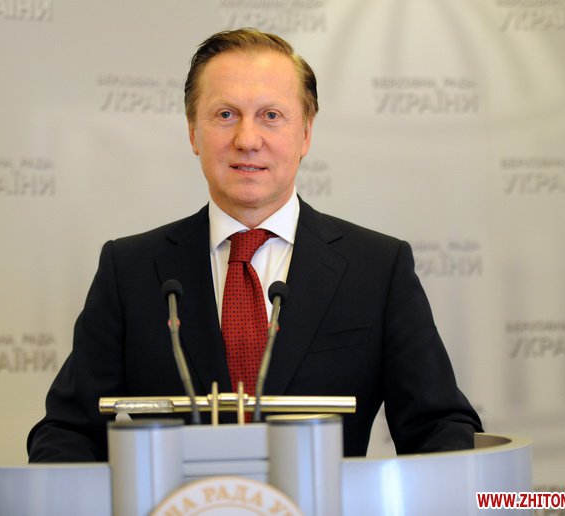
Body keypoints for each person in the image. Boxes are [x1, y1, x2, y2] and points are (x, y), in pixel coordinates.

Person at [27, 28, 482, 462]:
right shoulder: (130, 270)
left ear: (306, 133)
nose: (247, 140)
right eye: (225, 115)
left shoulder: (377, 269)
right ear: (193, 132)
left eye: (271, 116)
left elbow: (438, 426)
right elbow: (67, 432)